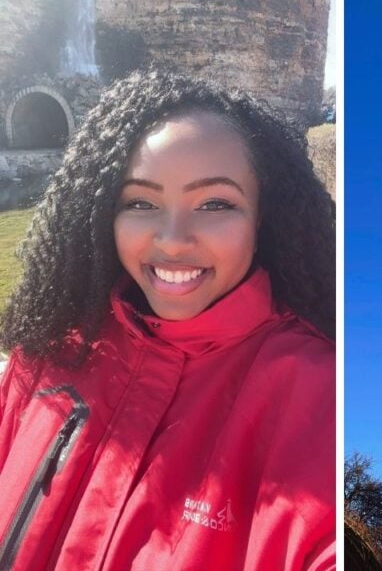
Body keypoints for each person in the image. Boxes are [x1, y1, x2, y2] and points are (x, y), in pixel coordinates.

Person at [0, 70, 336, 569]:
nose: (173, 239)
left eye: (215, 203)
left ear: (261, 215)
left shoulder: (320, 396)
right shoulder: (50, 349)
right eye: (140, 202)